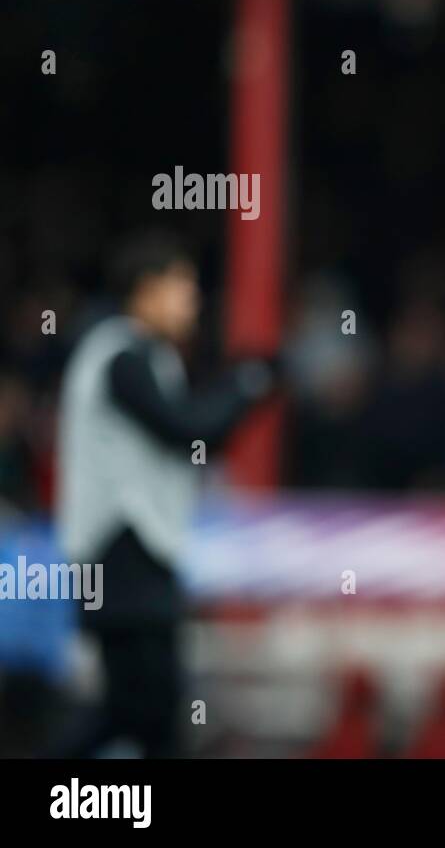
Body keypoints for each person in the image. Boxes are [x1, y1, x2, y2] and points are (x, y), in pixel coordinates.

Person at [51, 232, 279, 757]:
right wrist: (245, 384)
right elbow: (187, 429)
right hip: (119, 558)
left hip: (137, 558)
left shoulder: (149, 358)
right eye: (181, 286)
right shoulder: (118, 356)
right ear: (145, 291)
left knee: (139, 710)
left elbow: (201, 435)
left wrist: (247, 387)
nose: (191, 300)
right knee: (144, 709)